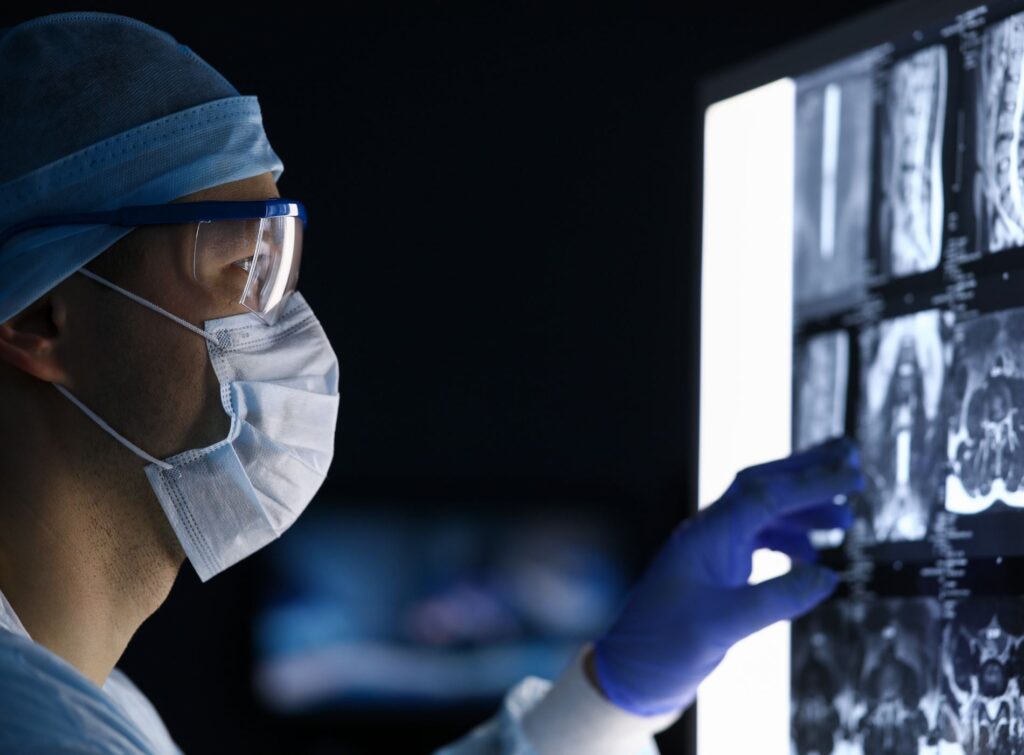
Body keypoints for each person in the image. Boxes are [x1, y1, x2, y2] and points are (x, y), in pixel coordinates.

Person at [0, 12, 865, 755]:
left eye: (284, 265)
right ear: (40, 317)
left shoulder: (100, 703)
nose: (287, 327)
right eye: (242, 268)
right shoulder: (35, 728)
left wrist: (607, 695)